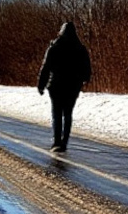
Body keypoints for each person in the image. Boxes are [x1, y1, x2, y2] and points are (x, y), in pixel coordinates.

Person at [36, 21, 92, 152]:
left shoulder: (54, 47)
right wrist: (84, 80)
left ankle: (56, 142)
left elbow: (46, 67)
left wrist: (41, 84)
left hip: (56, 85)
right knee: (68, 114)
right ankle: (64, 142)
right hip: (73, 86)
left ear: (61, 32)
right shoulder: (80, 48)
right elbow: (87, 68)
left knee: (56, 113)